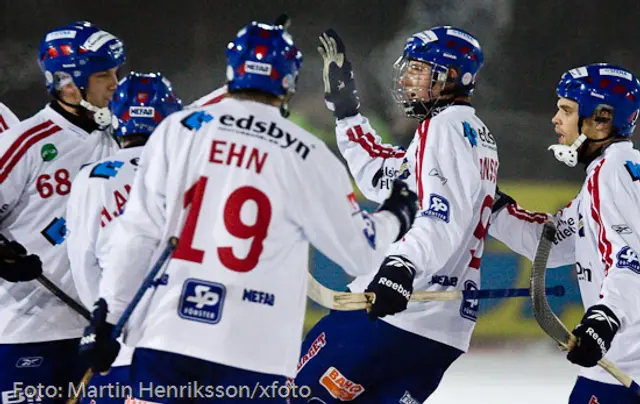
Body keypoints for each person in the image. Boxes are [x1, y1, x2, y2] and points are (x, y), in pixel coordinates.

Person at [77, 20, 418, 403]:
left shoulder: (179, 130)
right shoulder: (306, 152)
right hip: (257, 353)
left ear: (231, 73)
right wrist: (398, 212)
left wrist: (105, 318)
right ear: (288, 81)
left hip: (171, 337)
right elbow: (360, 250)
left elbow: (136, 234)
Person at [291, 26, 498, 402]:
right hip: (440, 334)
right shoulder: (474, 135)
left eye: (418, 69)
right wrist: (347, 109)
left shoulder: (444, 127)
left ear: (450, 77)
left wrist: (401, 266)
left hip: (393, 316)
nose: (405, 78)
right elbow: (384, 175)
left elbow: (440, 215)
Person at [489, 63, 640, 403]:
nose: (556, 119)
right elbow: (554, 244)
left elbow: (629, 260)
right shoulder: (611, 172)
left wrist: (603, 321)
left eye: (567, 110)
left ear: (601, 120)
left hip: (625, 366)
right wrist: (493, 207)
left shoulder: (611, 173)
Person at [0, 20, 124, 399]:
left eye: (116, 73)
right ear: (69, 84)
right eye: (104, 75)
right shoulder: (27, 142)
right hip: (28, 334)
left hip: (99, 334)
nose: (115, 84)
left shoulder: (119, 138)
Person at [66, 71, 183, 402]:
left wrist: (103, 322)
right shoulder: (196, 174)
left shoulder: (94, 177)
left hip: (120, 350)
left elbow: (83, 263)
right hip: (187, 346)